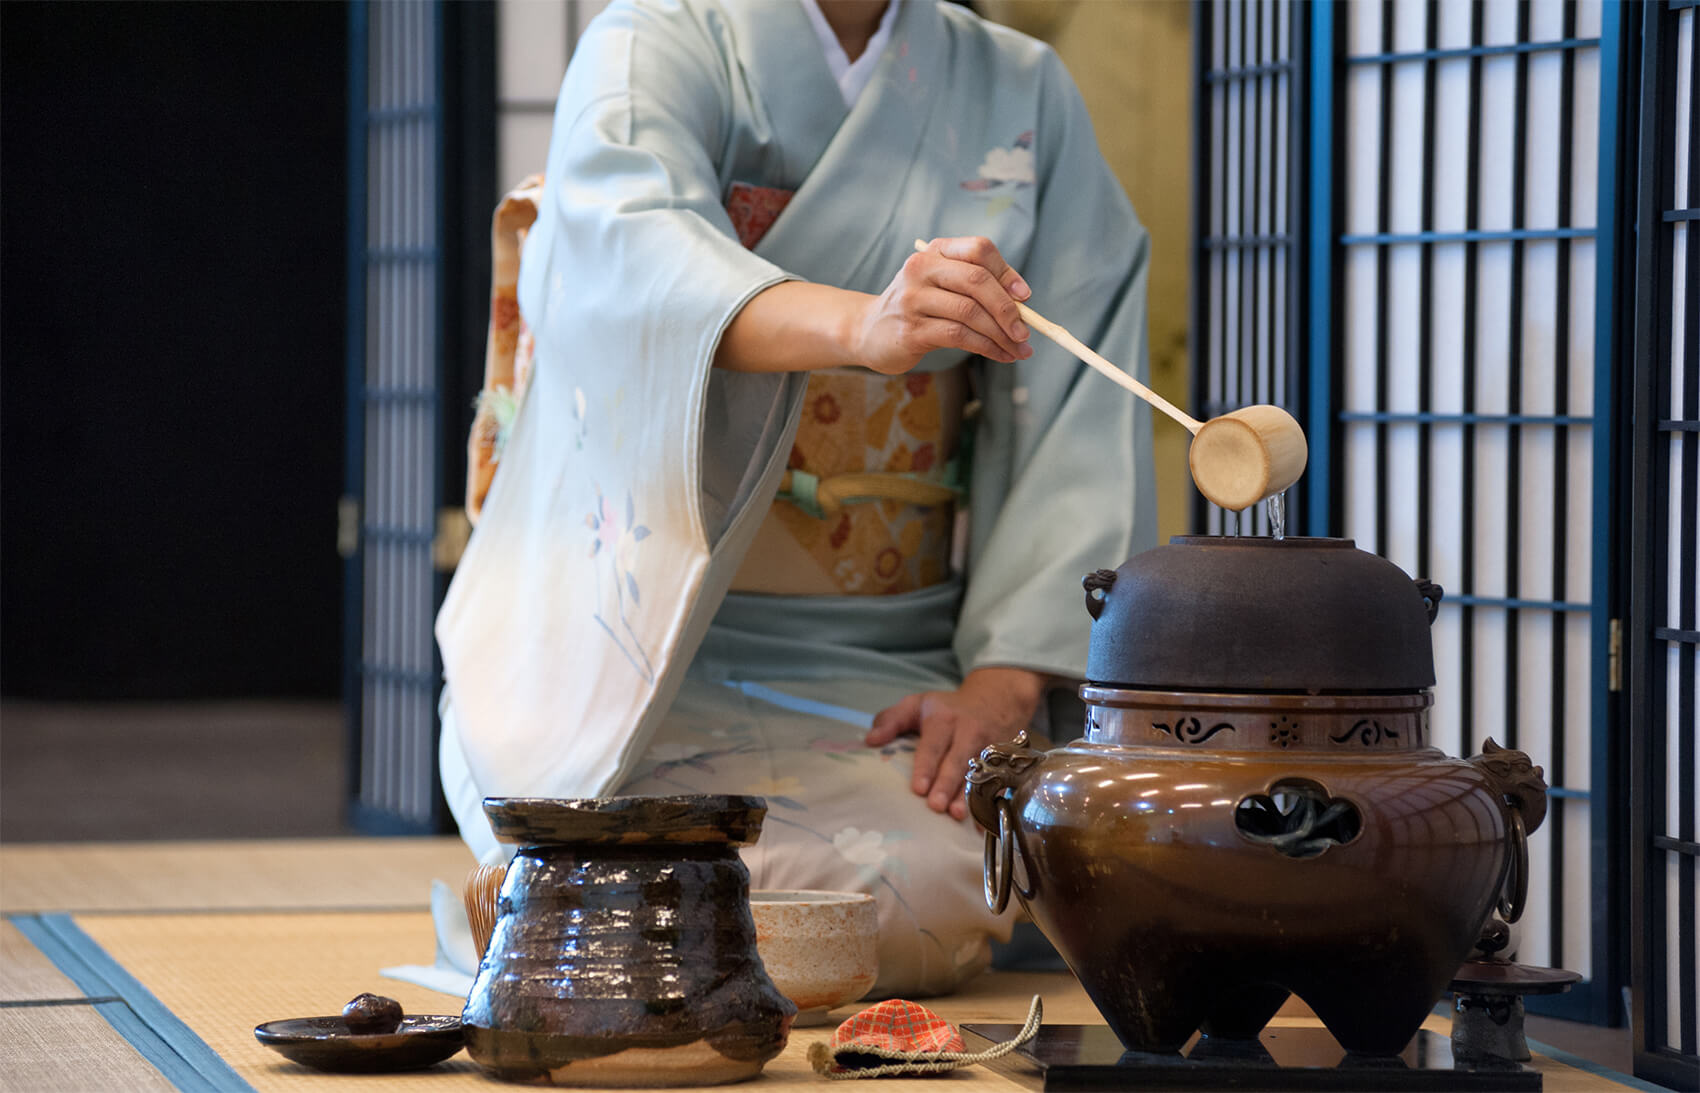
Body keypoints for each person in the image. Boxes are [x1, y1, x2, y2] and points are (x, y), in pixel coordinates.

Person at [436, 0, 1155, 996]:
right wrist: (864, 326)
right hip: (625, 648)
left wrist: (999, 685)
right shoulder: (656, 39)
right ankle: (550, 898)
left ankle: (546, 929)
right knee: (605, 845)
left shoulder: (1019, 88)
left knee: (921, 885)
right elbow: (631, 258)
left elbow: (1072, 405)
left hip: (878, 673)